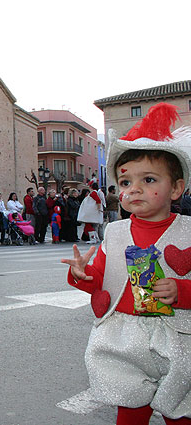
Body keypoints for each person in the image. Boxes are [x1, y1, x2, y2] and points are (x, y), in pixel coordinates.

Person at [61, 103, 191, 425]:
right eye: (125, 182)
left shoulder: (187, 231)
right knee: (129, 409)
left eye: (149, 179)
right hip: (125, 335)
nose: (134, 189)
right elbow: (103, 278)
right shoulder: (115, 232)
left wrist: (181, 291)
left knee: (180, 410)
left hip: (178, 336)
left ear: (176, 188)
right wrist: (82, 274)